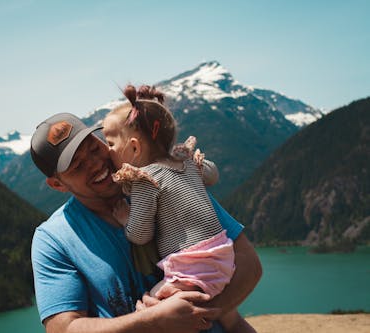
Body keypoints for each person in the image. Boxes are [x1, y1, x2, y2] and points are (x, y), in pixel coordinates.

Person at [30, 112, 262, 333]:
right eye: (78, 166)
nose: (95, 163)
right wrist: (153, 323)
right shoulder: (53, 240)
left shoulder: (165, 178)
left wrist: (196, 315)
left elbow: (249, 264)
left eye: (94, 147)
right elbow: (63, 327)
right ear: (57, 185)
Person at [102, 84, 255, 333]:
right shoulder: (184, 161)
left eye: (110, 143)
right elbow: (212, 175)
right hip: (222, 255)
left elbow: (141, 235)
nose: (106, 151)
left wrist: (125, 219)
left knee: (151, 311)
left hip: (192, 266)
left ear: (134, 147)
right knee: (231, 320)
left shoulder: (146, 179)